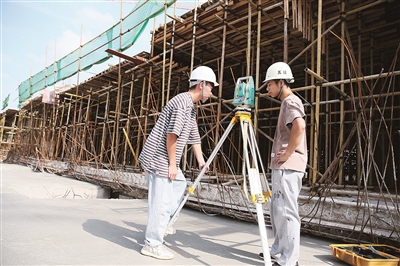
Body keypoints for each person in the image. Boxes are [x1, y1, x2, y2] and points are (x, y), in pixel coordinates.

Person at [138, 65, 219, 260]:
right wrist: (172, 164)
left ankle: (164, 224)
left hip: (164, 157)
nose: (212, 90)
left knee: (180, 184)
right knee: (161, 201)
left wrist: (200, 161)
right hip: (159, 158)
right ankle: (152, 243)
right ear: (201, 85)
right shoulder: (182, 103)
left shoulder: (190, 107)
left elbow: (194, 135)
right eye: (211, 87)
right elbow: (172, 135)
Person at [259, 62, 307, 266]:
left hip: (288, 166)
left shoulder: (290, 102)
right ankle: (279, 250)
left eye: (269, 84)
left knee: (286, 211)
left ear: (281, 82)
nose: (267, 88)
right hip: (283, 167)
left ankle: (290, 260)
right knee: (278, 209)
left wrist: (288, 153)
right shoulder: (285, 102)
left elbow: (300, 125)